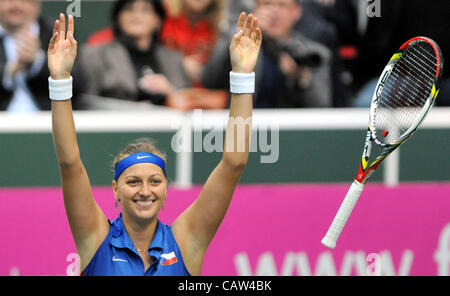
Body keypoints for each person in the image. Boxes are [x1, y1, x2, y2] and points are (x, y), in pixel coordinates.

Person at [47, 11, 261, 275]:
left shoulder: (185, 241)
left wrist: (241, 75)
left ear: (166, 188)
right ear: (115, 189)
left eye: (155, 181)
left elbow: (234, 163)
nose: (145, 191)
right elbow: (69, 163)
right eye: (133, 181)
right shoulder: (96, 238)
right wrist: (59, 81)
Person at [202, 0, 332, 108]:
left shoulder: (313, 54)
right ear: (255, 9)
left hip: (291, 133)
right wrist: (238, 38)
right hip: (247, 127)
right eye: (267, 4)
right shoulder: (241, 44)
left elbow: (323, 106)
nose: (274, 12)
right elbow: (209, 80)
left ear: (297, 12)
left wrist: (301, 78)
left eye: (282, 5)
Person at [79, 0, 191, 110]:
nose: (136, 16)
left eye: (145, 10)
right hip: (114, 126)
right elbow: (85, 103)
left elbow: (191, 104)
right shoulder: (96, 55)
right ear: (118, 18)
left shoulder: (174, 59)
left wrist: (171, 91)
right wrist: (130, 110)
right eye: (129, 9)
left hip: (167, 126)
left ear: (158, 20)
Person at [0, 0, 83, 111]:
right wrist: (10, 72)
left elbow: (78, 83)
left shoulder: (57, 31)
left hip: (48, 118)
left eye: (25, 1)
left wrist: (37, 62)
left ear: (37, 4)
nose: (17, 5)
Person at [160, 0, 228, 86]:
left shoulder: (217, 29)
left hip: (198, 93)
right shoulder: (163, 13)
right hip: (163, 88)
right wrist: (179, 64)